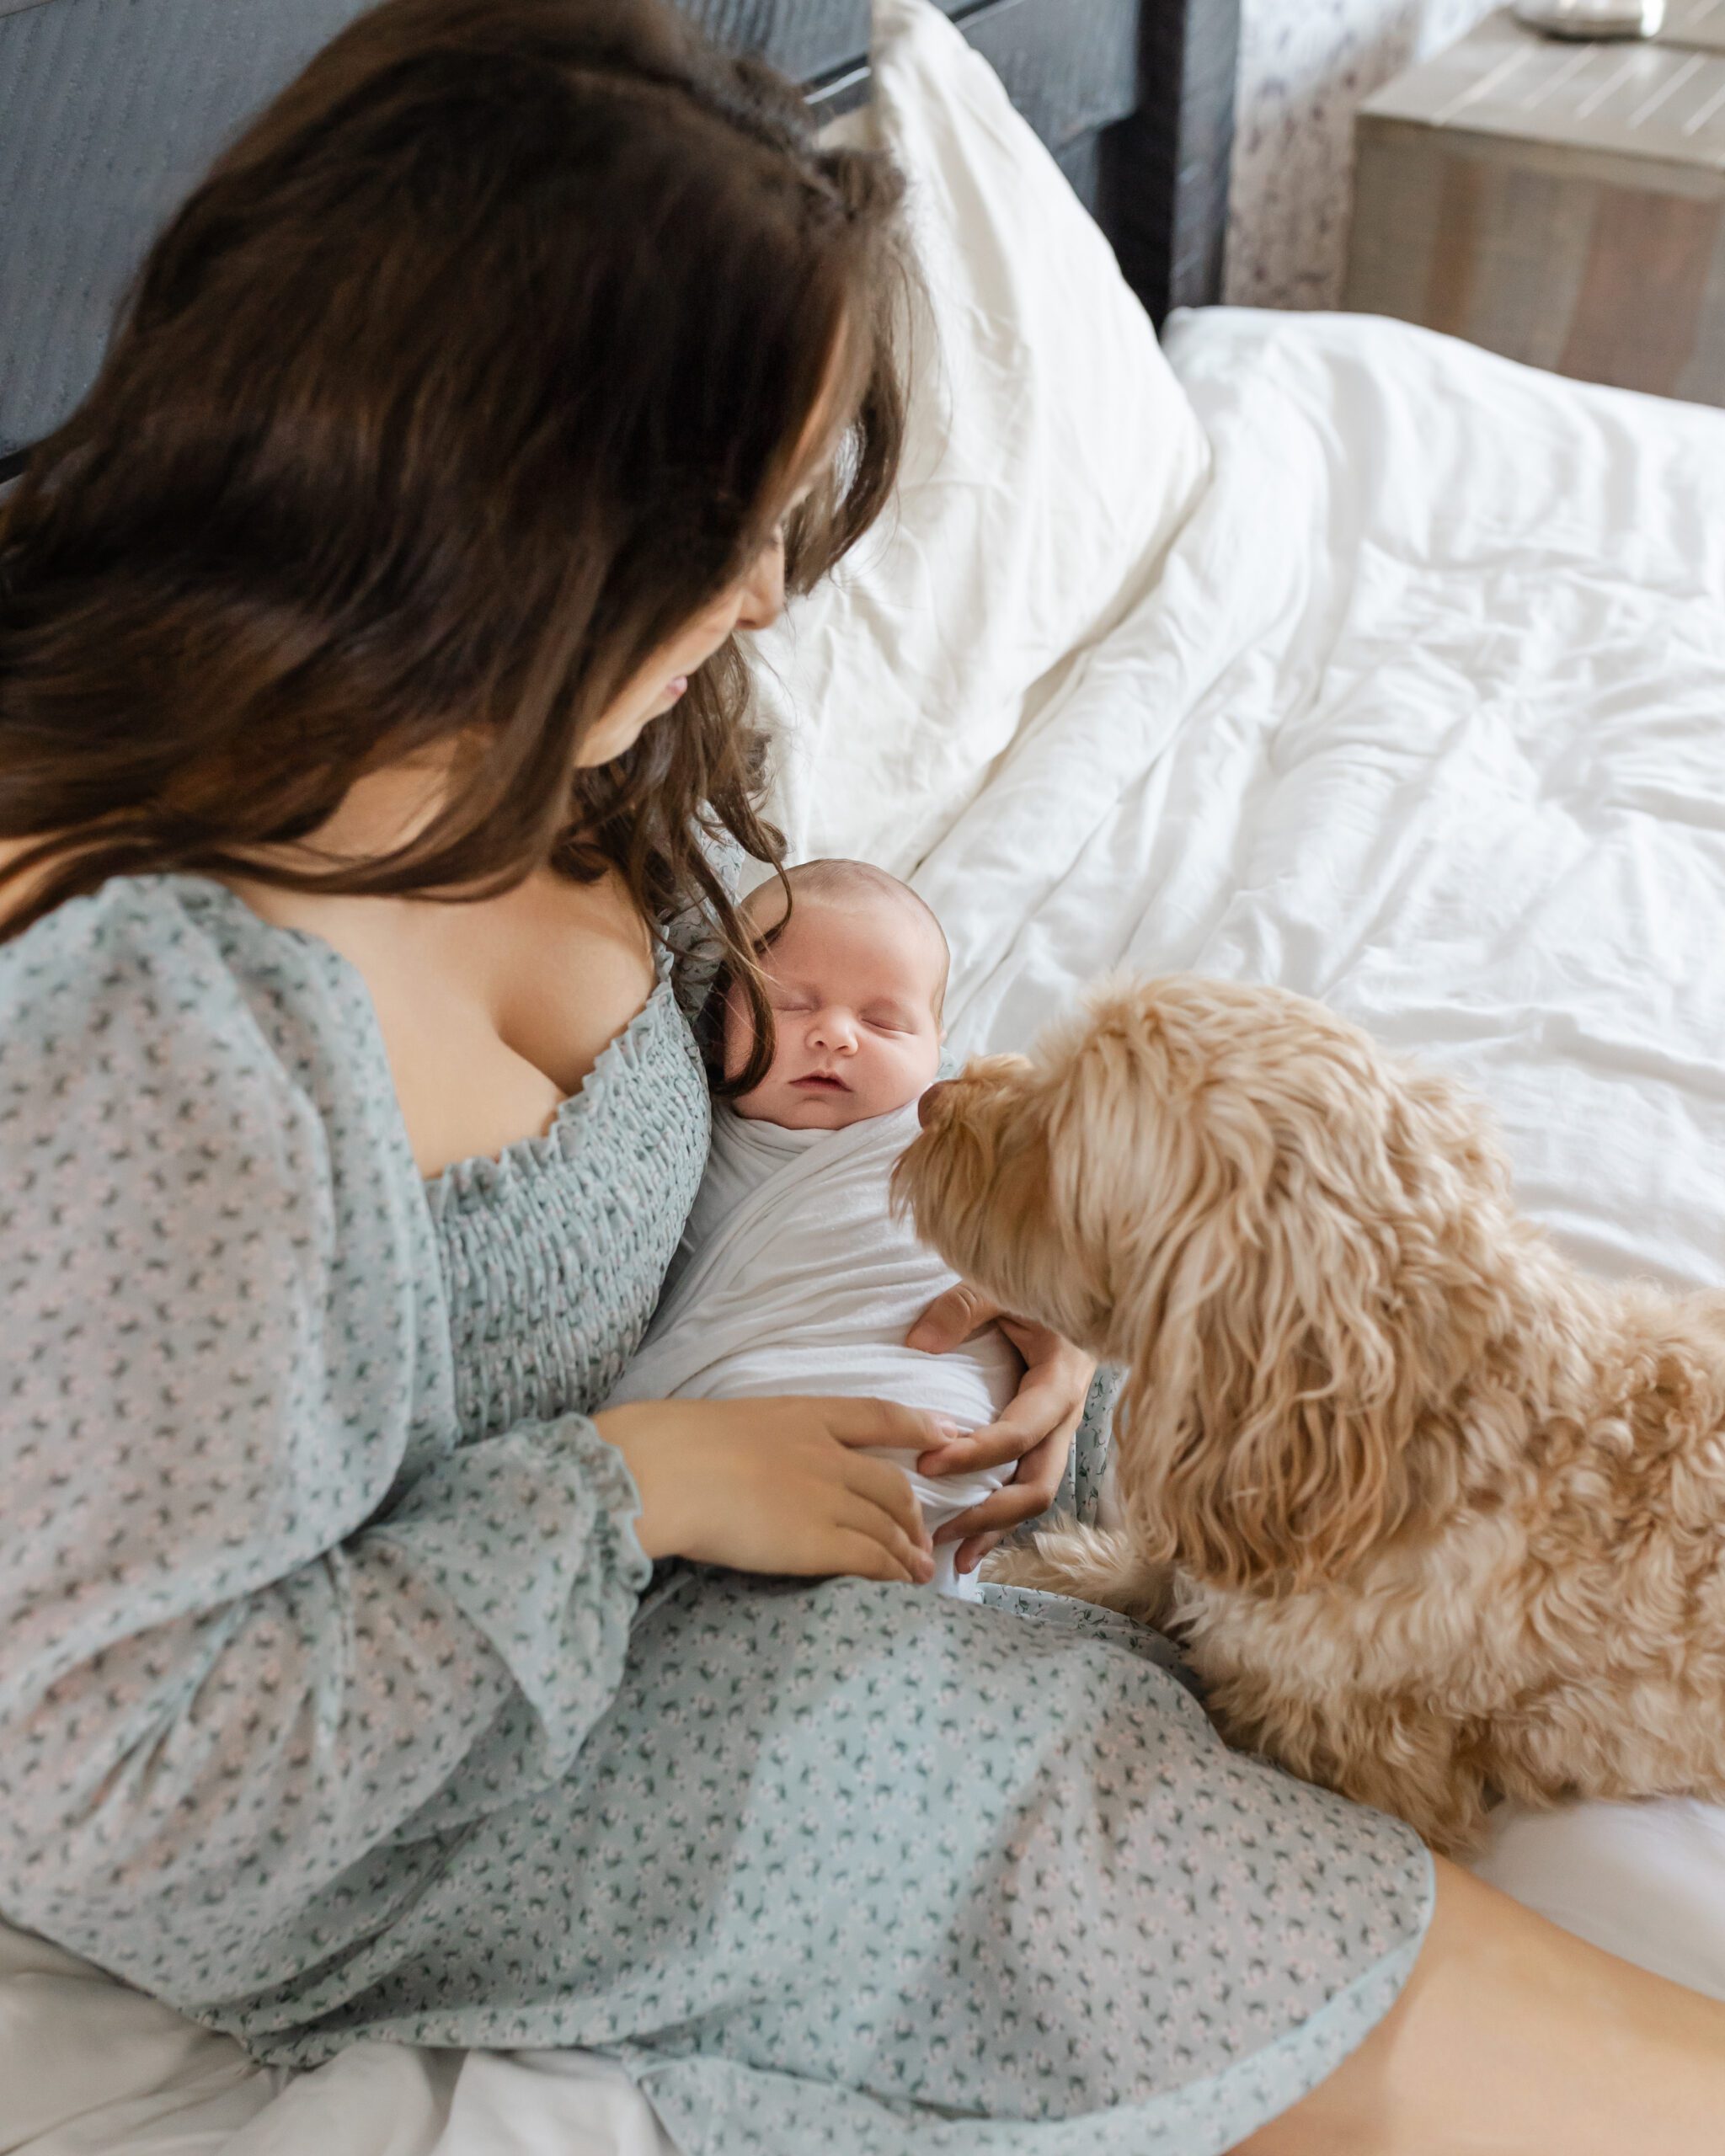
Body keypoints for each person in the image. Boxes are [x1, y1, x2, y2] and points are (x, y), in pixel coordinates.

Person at [0, 2, 1722, 2150]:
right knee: (1064, 1816)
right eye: (729, 524)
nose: (762, 595)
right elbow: (124, 1785)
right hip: (414, 1763)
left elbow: (748, 1083)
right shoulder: (149, 1029)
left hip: (744, 1456)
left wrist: (1025, 1275)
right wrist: (632, 1486)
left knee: (1327, 1485)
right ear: (507, 505)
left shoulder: (571, 726)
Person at [606, 857, 1017, 1594]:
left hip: (935, 1438)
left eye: (883, 1021)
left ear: (937, 1045)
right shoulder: (696, 1136)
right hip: (740, 1457)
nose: (835, 1035)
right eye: (791, 1005)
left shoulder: (949, 1134)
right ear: (719, 1015)